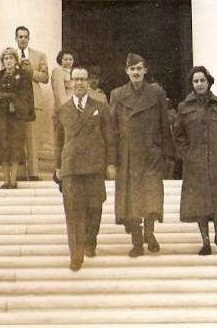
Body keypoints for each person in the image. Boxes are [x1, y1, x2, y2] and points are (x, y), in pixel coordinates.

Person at [110, 53, 174, 257]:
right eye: (132, 69)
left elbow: (165, 125)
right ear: (126, 71)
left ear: (146, 70)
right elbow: (112, 130)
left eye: (139, 68)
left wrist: (168, 154)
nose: (136, 72)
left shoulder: (156, 93)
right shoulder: (117, 94)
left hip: (151, 153)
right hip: (127, 155)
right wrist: (111, 161)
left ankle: (150, 233)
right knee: (131, 200)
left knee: (151, 196)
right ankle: (137, 240)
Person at [55, 67, 116, 271]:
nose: (79, 83)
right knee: (73, 213)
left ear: (88, 82)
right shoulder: (63, 110)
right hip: (71, 167)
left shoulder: (100, 107)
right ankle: (76, 255)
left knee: (94, 209)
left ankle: (90, 242)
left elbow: (109, 137)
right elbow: (58, 142)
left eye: (83, 79)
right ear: (70, 82)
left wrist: (110, 163)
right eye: (76, 79)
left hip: (94, 166)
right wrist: (57, 166)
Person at [174, 66, 217, 255]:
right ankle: (206, 241)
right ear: (192, 84)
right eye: (196, 81)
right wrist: (187, 155)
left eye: (202, 80)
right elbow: (178, 136)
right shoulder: (184, 107)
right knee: (199, 203)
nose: (199, 84)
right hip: (195, 163)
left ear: (208, 82)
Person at [0, 48, 35, 189]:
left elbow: (27, 96)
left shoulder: (24, 76)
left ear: (16, 60)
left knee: (15, 148)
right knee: (3, 148)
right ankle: (6, 180)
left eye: (11, 58)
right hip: (1, 117)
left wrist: (9, 96)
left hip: (17, 117)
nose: (8, 61)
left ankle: (13, 180)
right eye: (6, 59)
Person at [14, 26, 49, 180]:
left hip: (33, 100)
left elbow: (45, 77)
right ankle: (20, 173)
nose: (23, 39)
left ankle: (33, 173)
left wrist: (31, 72)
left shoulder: (39, 55)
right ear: (16, 38)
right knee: (18, 137)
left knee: (33, 137)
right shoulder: (10, 55)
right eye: (20, 37)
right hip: (16, 101)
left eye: (25, 37)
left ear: (29, 38)